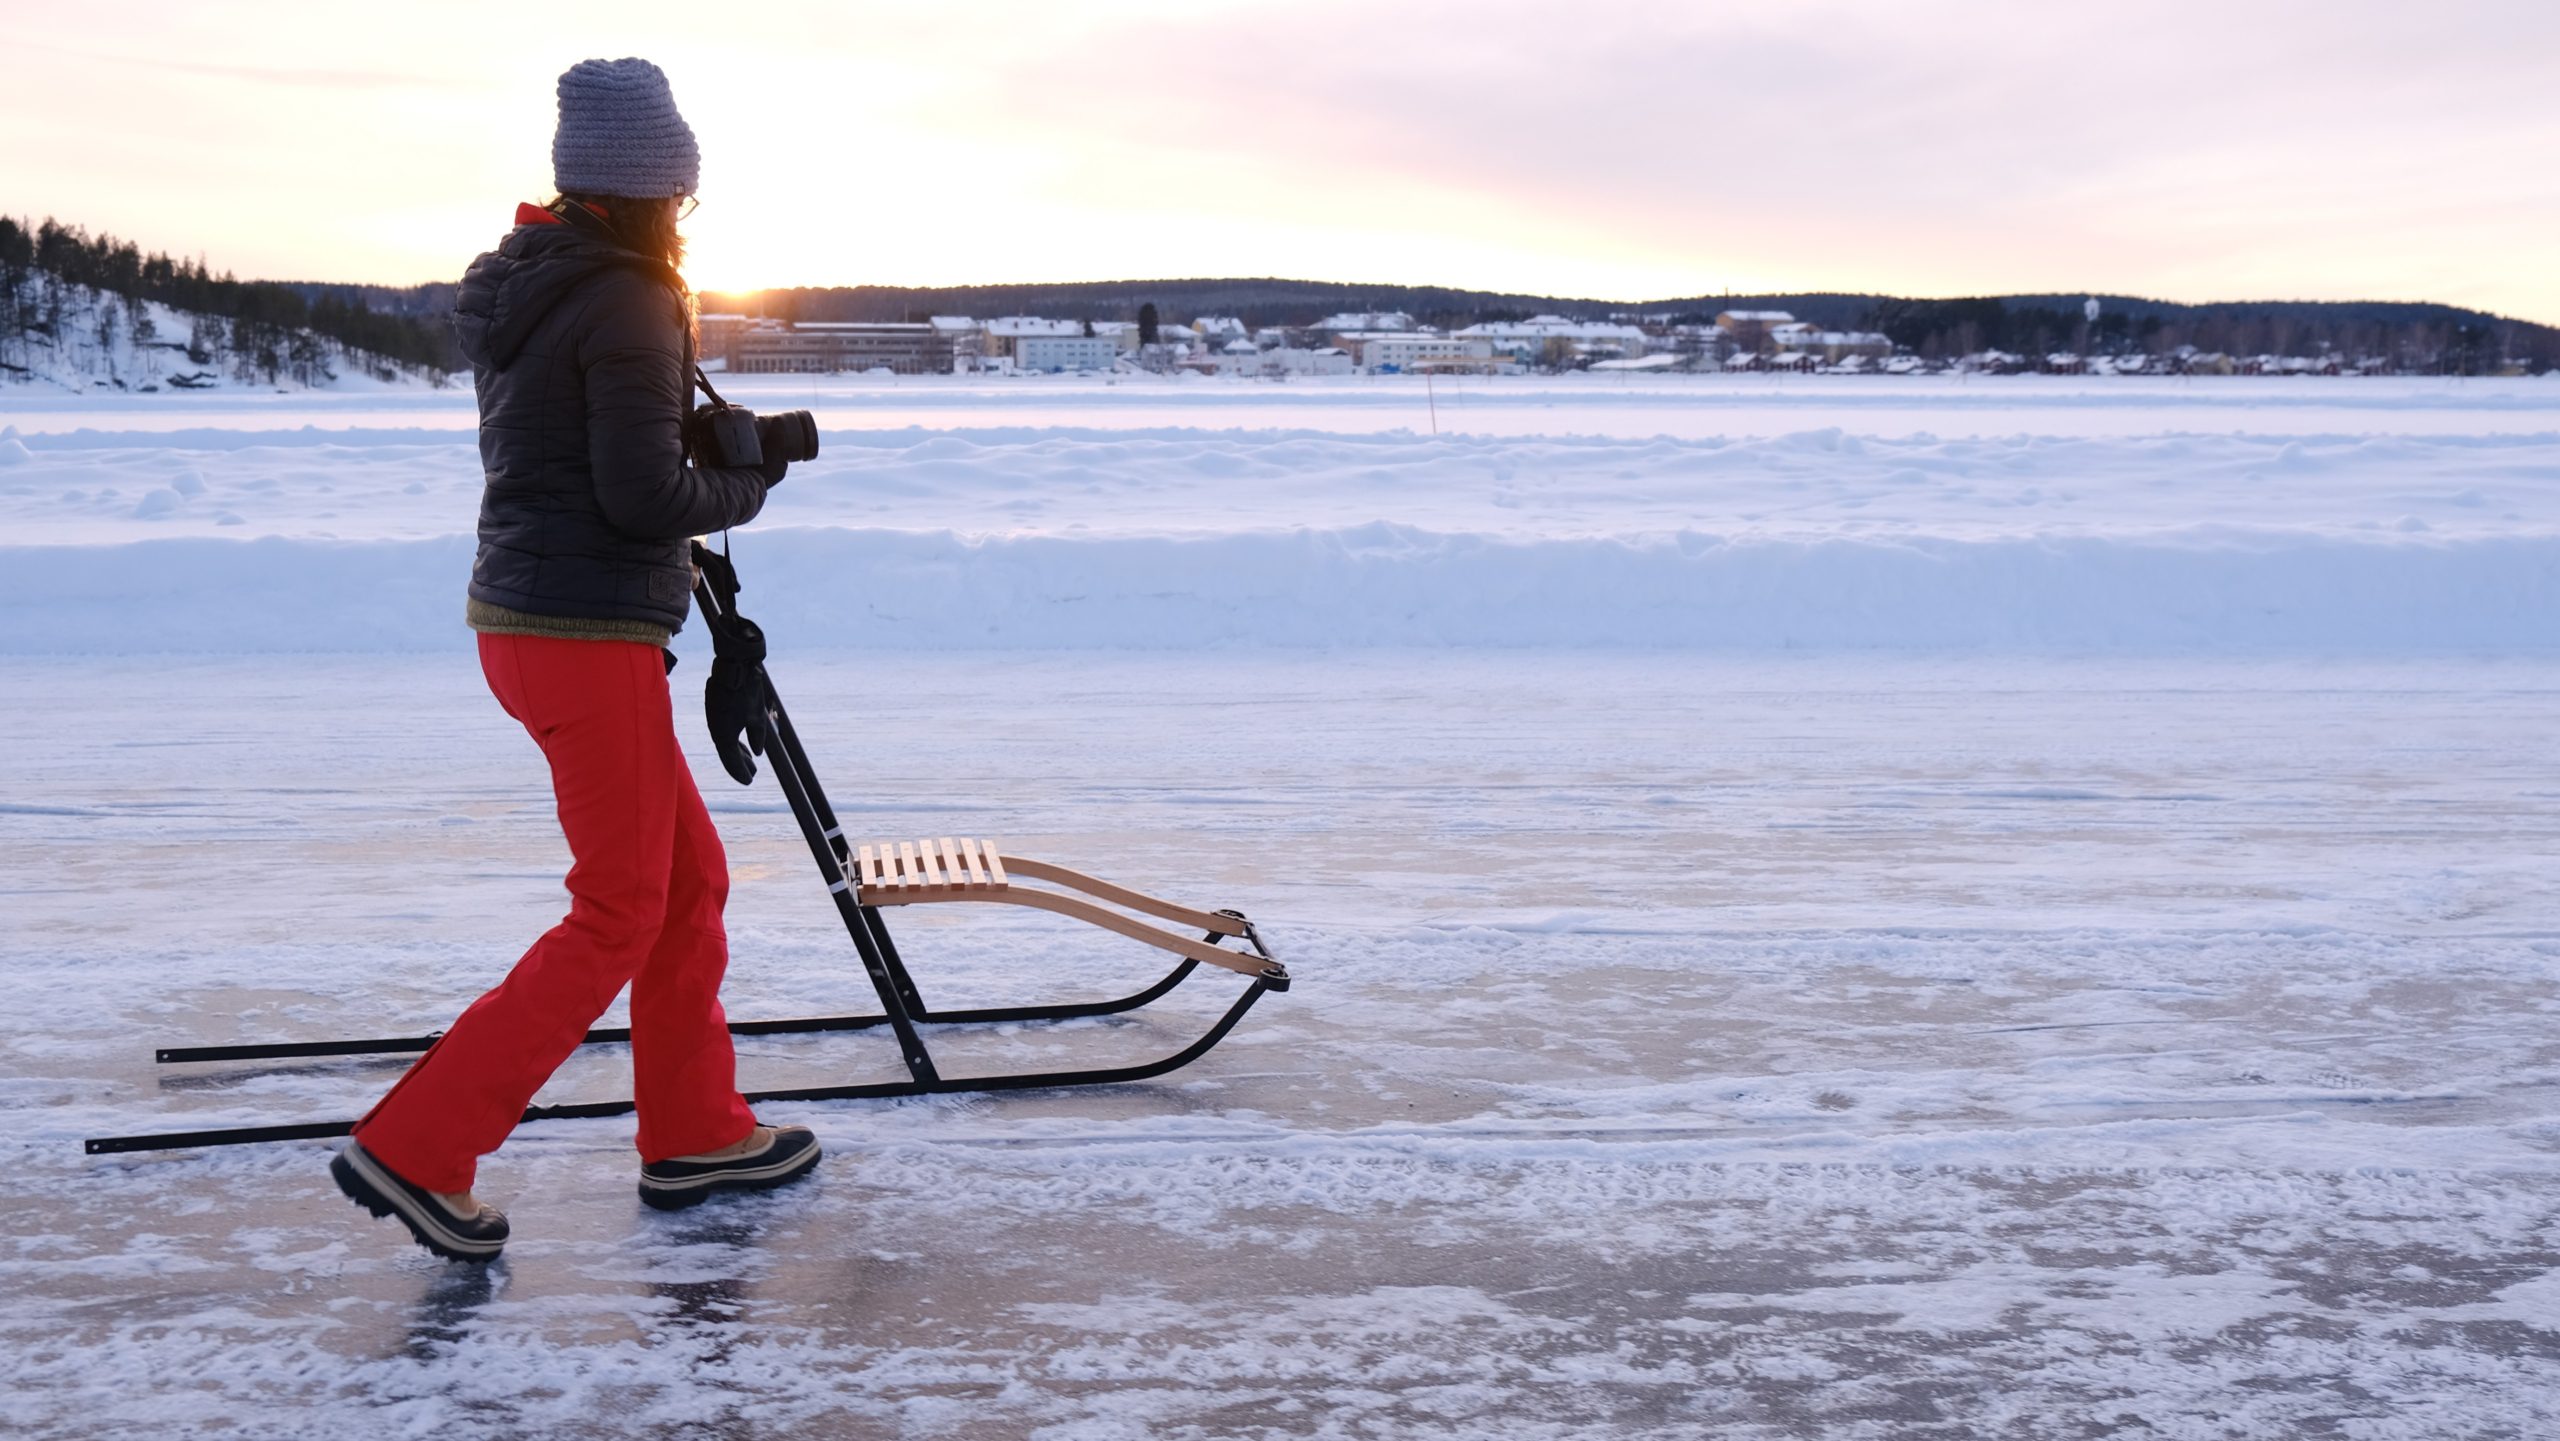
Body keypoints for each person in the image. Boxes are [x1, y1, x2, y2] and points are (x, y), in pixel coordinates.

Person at [331, 57, 819, 1263]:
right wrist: (749, 476)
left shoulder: (540, 285)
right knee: (617, 910)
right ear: (652, 192)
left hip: (534, 623)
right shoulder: (626, 299)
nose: (685, 217)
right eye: (682, 198)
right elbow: (645, 492)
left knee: (685, 881)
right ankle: (418, 1146)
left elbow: (590, 455)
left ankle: (697, 1127)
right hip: (582, 634)